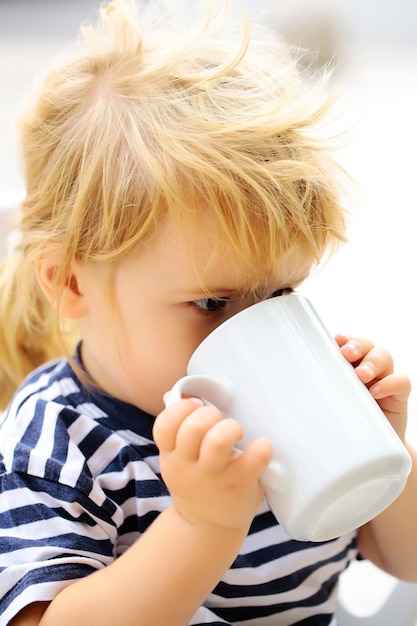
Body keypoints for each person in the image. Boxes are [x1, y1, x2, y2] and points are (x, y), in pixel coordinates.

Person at [0, 1, 416, 624]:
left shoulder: (294, 407)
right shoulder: (58, 443)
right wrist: (201, 523)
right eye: (211, 303)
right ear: (72, 284)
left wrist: (387, 456)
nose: (254, 328)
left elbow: (404, 561)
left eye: (279, 296)